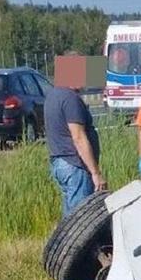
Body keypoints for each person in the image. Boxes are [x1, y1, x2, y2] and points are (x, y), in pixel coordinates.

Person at [45, 62, 105, 216]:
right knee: (80, 220)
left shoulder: (53, 95)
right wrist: (95, 172)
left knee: (70, 219)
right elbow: (78, 137)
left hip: (60, 162)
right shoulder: (70, 99)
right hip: (75, 165)